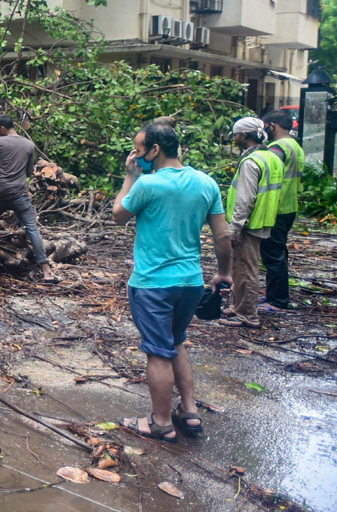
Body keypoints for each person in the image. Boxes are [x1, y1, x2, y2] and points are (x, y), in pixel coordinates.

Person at [112, 122, 231, 441]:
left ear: (155, 150)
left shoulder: (147, 185)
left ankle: (161, 421)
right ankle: (189, 412)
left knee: (158, 352)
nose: (135, 156)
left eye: (138, 150)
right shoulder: (206, 183)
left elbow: (118, 215)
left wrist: (130, 176)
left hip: (152, 284)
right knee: (177, 340)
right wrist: (223, 272)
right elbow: (222, 235)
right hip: (191, 283)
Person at [0, 114, 57, 282]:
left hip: (1, 192)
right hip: (20, 193)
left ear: (2, 128)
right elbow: (28, 172)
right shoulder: (29, 144)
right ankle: (47, 271)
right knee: (32, 229)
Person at [222, 117, 284, 329]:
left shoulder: (251, 162)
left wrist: (234, 228)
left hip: (249, 224)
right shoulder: (271, 157)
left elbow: (245, 199)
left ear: (244, 136)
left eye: (236, 134)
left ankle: (248, 315)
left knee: (246, 270)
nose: (235, 138)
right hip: (264, 220)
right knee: (240, 268)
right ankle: (239, 307)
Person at [260, 109, 304, 310]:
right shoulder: (295, 145)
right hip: (289, 206)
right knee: (278, 253)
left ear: (272, 126)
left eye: (265, 127)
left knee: (273, 255)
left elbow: (267, 171)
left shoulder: (277, 148)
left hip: (276, 209)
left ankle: (277, 300)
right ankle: (273, 295)